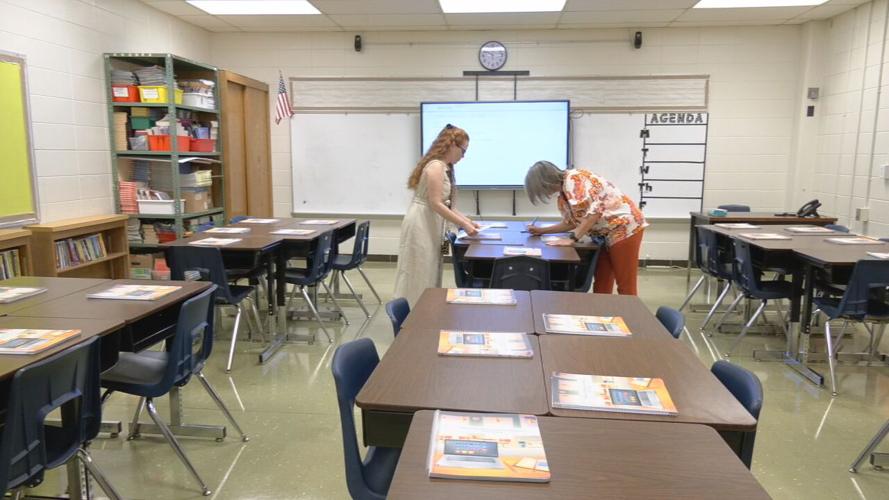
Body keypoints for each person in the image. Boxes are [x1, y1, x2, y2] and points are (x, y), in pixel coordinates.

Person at [524, 161, 648, 295]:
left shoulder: (574, 180)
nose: (544, 194)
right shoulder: (563, 194)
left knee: (625, 284)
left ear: (545, 182)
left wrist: (573, 238)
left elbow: (594, 213)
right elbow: (571, 223)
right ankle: (602, 314)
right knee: (602, 280)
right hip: (605, 233)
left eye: (540, 190)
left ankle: (629, 314)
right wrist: (541, 231)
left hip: (624, 227)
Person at [393, 124, 480, 305]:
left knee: (433, 268)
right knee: (419, 270)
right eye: (463, 151)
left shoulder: (445, 168)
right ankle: (412, 314)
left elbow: (448, 205)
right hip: (421, 224)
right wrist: (464, 226)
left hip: (433, 224)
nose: (463, 157)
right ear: (452, 145)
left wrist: (468, 221)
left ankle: (426, 308)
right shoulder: (435, 167)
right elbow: (435, 203)